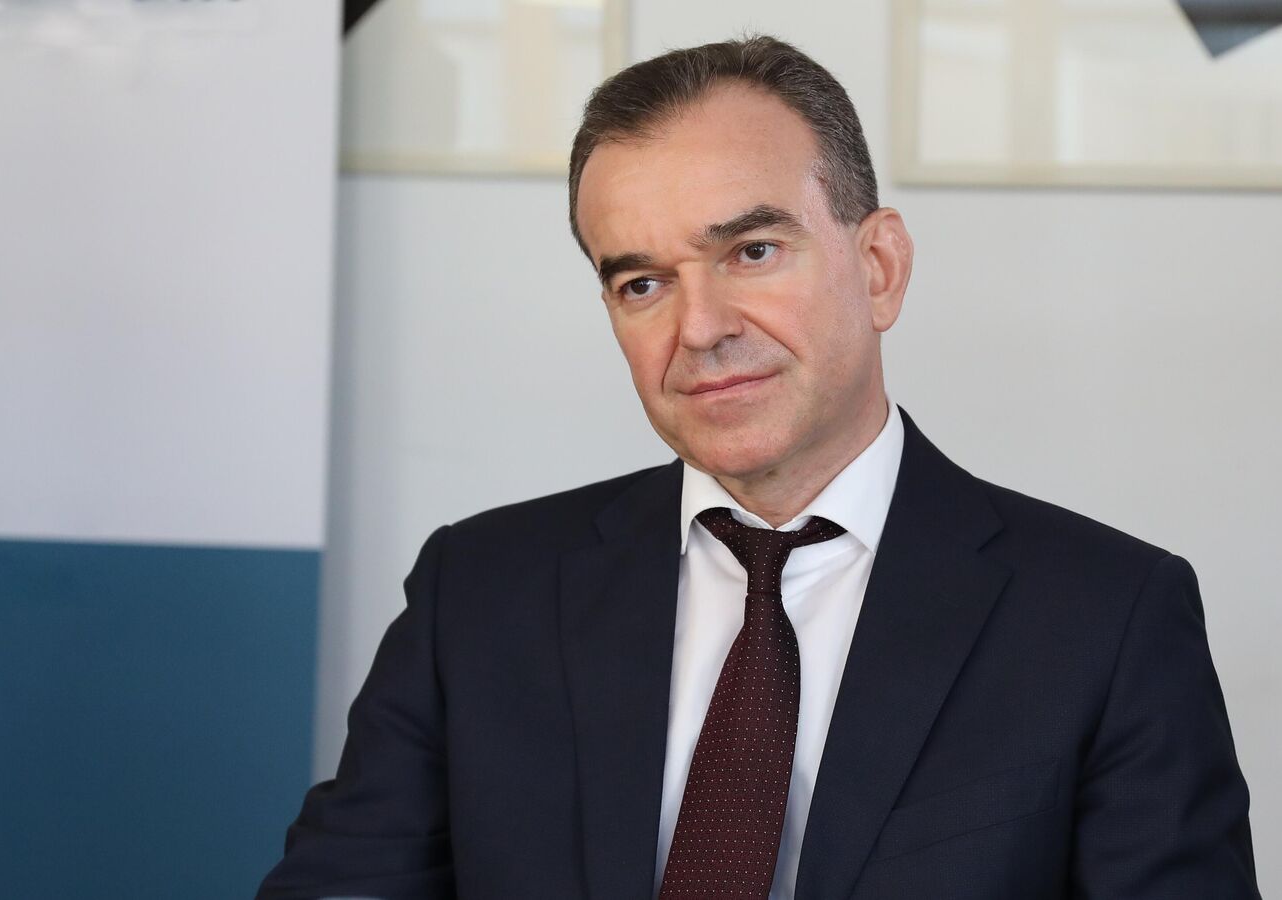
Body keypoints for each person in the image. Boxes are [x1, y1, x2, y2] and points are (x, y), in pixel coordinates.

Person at [258, 36, 1258, 899]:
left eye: (751, 252)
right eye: (642, 283)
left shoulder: (1107, 619)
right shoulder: (478, 592)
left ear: (879, 268)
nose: (700, 329)